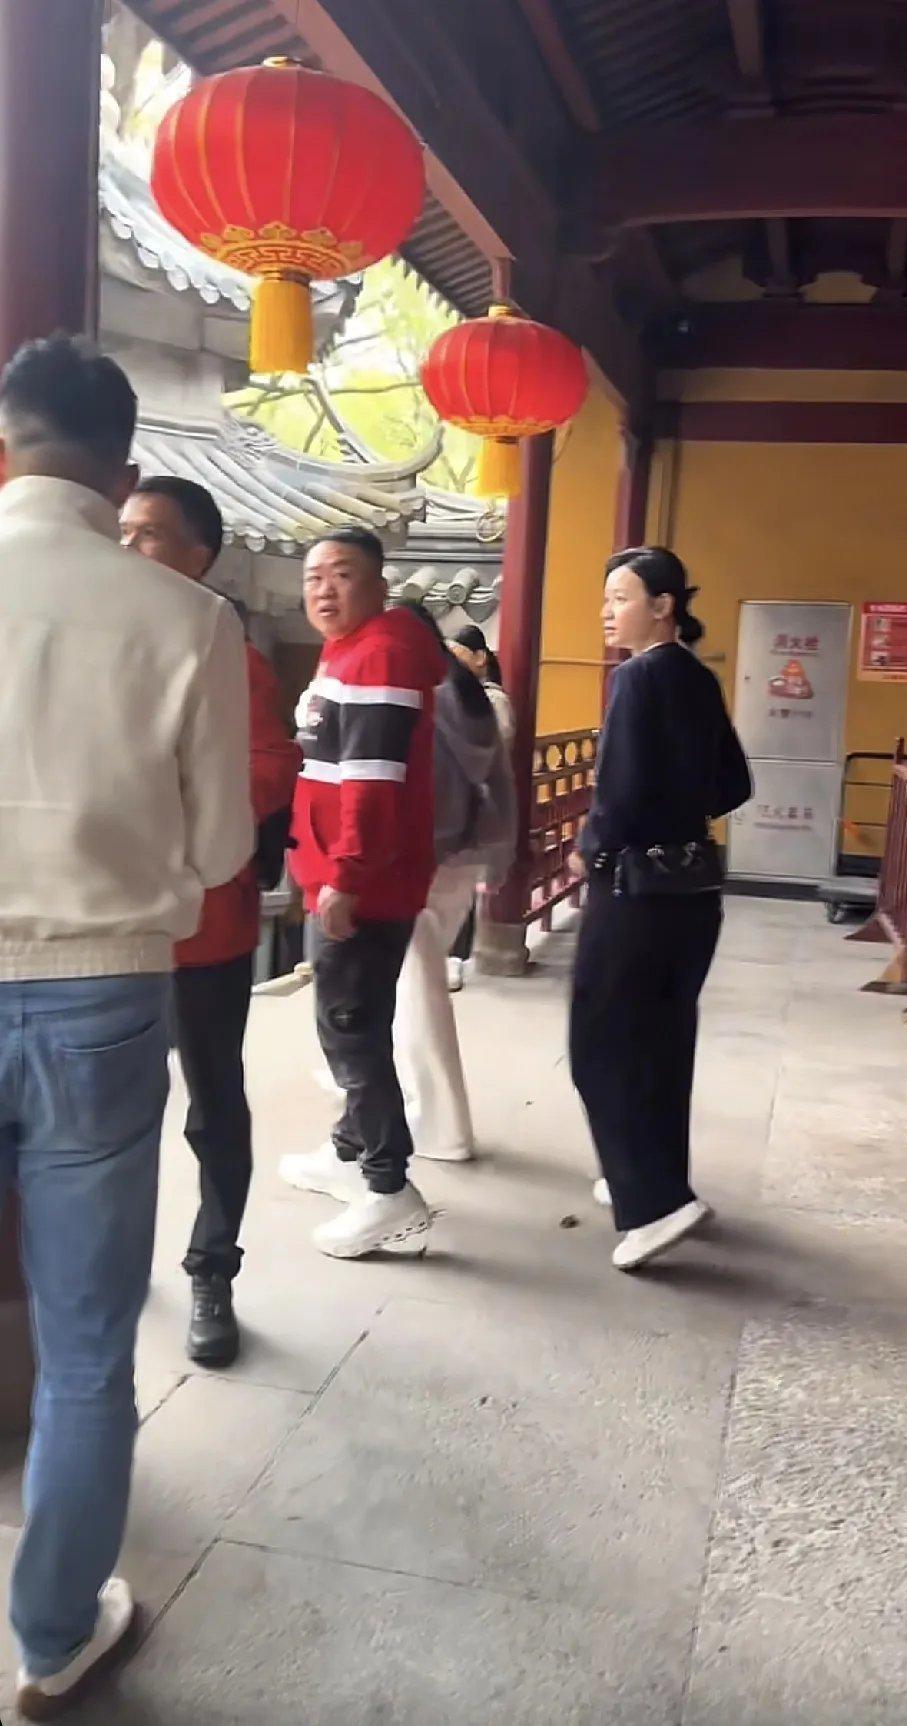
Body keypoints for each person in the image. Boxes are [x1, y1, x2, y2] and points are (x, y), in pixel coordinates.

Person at [0, 336, 252, 1717]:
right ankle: (52, 1640)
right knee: (88, 1342)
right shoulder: (185, 618)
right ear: (125, 468)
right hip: (101, 990)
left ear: (8, 443)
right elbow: (218, 851)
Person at [120, 476, 300, 1366]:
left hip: (203, 930)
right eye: (123, 529)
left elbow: (271, 764)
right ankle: (117, 1261)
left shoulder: (227, 648)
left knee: (213, 1105)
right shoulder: (103, 633)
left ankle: (212, 1270)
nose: (128, 547)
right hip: (113, 928)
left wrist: (180, 815)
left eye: (150, 533)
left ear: (201, 555)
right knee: (112, 1111)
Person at [570, 547, 751, 1273]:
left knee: (603, 1043)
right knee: (663, 1042)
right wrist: (679, 813)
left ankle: (652, 1206)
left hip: (634, 894)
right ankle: (652, 1182)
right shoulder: (697, 678)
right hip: (693, 890)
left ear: (663, 605)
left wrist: (590, 850)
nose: (607, 611)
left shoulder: (637, 677)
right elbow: (734, 784)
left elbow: (616, 794)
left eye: (621, 597)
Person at [279, 528, 445, 1258]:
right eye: (313, 576)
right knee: (352, 1019)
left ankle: (388, 1187)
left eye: (342, 574)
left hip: (364, 884)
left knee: (351, 1032)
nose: (323, 589)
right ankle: (347, 1151)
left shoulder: (378, 654)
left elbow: (373, 783)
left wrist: (345, 878)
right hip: (343, 873)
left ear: (378, 585)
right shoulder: (349, 649)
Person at [391, 603, 515, 1161]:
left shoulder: (431, 694)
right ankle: (426, 1112)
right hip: (464, 855)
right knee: (419, 986)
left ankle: (441, 1124)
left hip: (429, 859)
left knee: (416, 993)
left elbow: (430, 785)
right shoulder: (468, 693)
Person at [446, 626, 514, 988]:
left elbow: (495, 747)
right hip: (459, 797)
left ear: (480, 658)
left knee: (462, 882)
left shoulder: (492, 700)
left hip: (478, 798)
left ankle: (456, 956)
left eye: (457, 654)